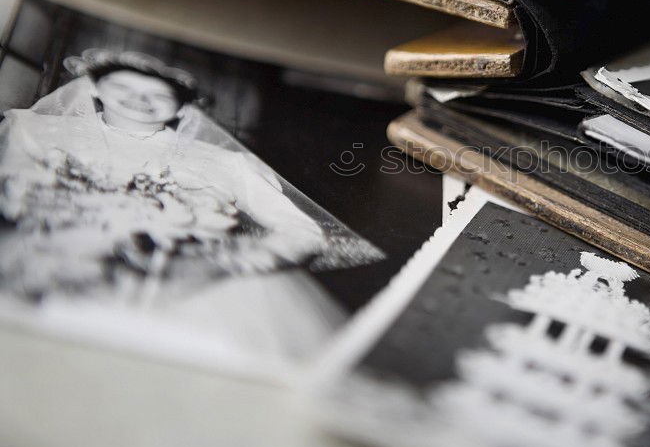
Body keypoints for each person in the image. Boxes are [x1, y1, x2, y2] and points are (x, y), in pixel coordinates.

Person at [0, 48, 379, 304]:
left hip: (174, 290)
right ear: (96, 87)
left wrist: (225, 264)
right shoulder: (32, 129)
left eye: (159, 95)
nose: (140, 100)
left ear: (182, 109)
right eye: (124, 87)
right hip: (39, 269)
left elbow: (303, 231)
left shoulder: (226, 163)